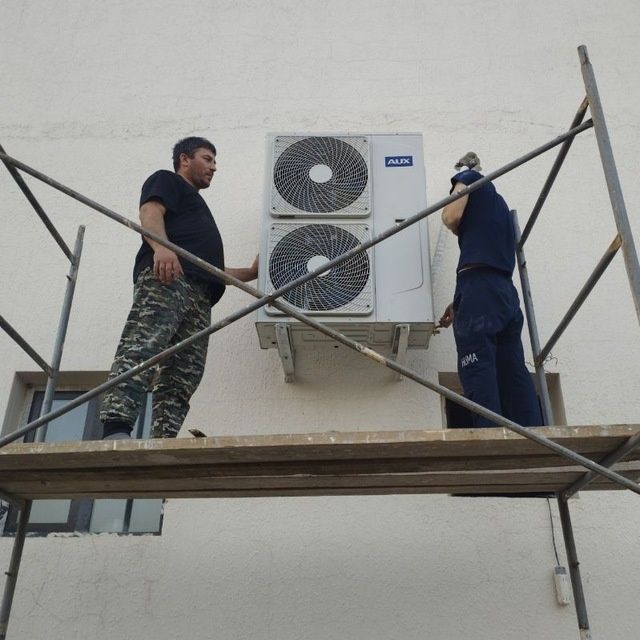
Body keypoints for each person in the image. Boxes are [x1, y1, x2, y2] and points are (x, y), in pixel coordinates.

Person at [100, 136, 258, 440]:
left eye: (214, 161)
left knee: (185, 372)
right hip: (169, 278)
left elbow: (208, 270)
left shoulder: (197, 207)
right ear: (185, 159)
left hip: (200, 294)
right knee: (144, 346)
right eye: (207, 159)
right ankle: (116, 427)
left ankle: (163, 437)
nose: (214, 167)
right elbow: (149, 212)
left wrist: (250, 273)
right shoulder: (167, 180)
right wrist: (161, 248)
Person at [438, 152, 541, 428]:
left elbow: (451, 216)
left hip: (479, 287)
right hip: (503, 291)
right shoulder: (500, 207)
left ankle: (489, 434)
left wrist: (452, 209)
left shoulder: (469, 178)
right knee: (512, 369)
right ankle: (533, 433)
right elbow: (487, 266)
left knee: (477, 364)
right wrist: (459, 302)